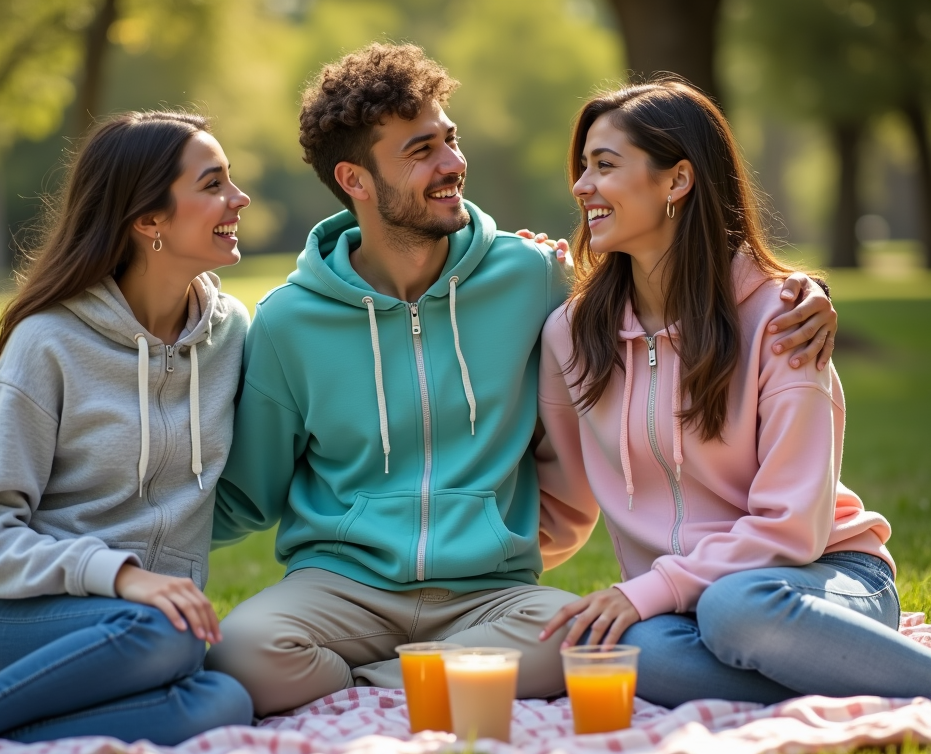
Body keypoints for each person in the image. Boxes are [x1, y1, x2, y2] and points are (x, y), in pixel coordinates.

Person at [205, 44, 837, 717]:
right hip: (339, 586)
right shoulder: (287, 321)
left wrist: (801, 291)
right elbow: (249, 492)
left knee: (583, 642)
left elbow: (666, 290)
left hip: (494, 593)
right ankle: (421, 683)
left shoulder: (533, 278)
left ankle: (375, 689)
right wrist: (121, 542)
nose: (451, 165)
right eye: (421, 151)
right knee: (244, 654)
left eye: (450, 140)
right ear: (355, 180)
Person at [536, 80, 931, 707]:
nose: (582, 186)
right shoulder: (573, 336)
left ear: (677, 181)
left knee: (735, 608)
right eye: (582, 167)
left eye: (604, 165)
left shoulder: (782, 319)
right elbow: (564, 503)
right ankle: (835, 674)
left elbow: (794, 528)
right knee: (619, 651)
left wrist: (650, 590)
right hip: (687, 604)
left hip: (818, 577)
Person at [0, 111, 254, 744]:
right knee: (175, 634)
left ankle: (2, 727)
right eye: (213, 184)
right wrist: (122, 575)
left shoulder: (229, 335)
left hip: (140, 637)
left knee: (226, 698)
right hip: (12, 624)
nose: (239, 198)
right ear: (148, 220)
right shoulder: (50, 344)